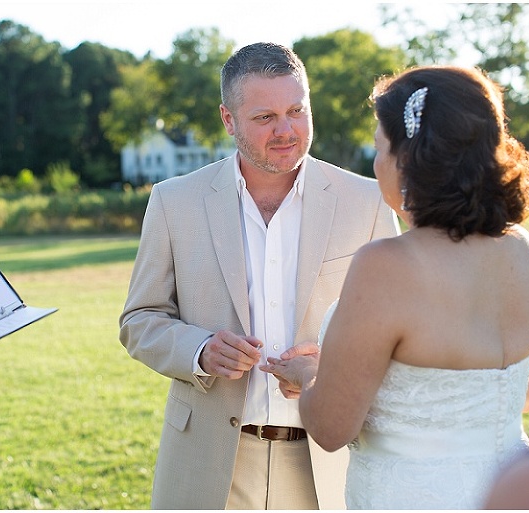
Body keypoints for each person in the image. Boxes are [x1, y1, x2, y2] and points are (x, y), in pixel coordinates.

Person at [119, 42, 399, 510]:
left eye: (296, 110)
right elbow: (139, 320)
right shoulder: (174, 201)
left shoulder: (367, 201)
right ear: (229, 120)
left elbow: (396, 333)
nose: (286, 130)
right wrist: (200, 350)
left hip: (329, 464)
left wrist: (329, 369)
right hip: (208, 464)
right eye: (264, 117)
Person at [260, 65, 529, 509]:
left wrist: (309, 374)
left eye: (380, 147)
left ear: (407, 159)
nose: (376, 163)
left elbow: (331, 427)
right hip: (511, 493)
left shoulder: (388, 265)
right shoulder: (524, 251)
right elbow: (525, 395)